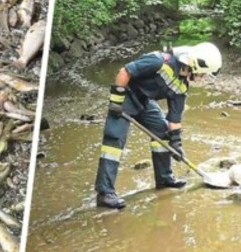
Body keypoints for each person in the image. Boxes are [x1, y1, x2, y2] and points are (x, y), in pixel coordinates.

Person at [94, 42, 222, 209]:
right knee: (114, 142)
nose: (203, 78)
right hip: (126, 97)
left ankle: (164, 179)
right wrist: (116, 100)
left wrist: (176, 143)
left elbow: (174, 120)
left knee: (162, 131)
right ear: (195, 66)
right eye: (203, 74)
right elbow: (125, 72)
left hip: (145, 101)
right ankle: (105, 193)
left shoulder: (182, 86)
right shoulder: (160, 61)